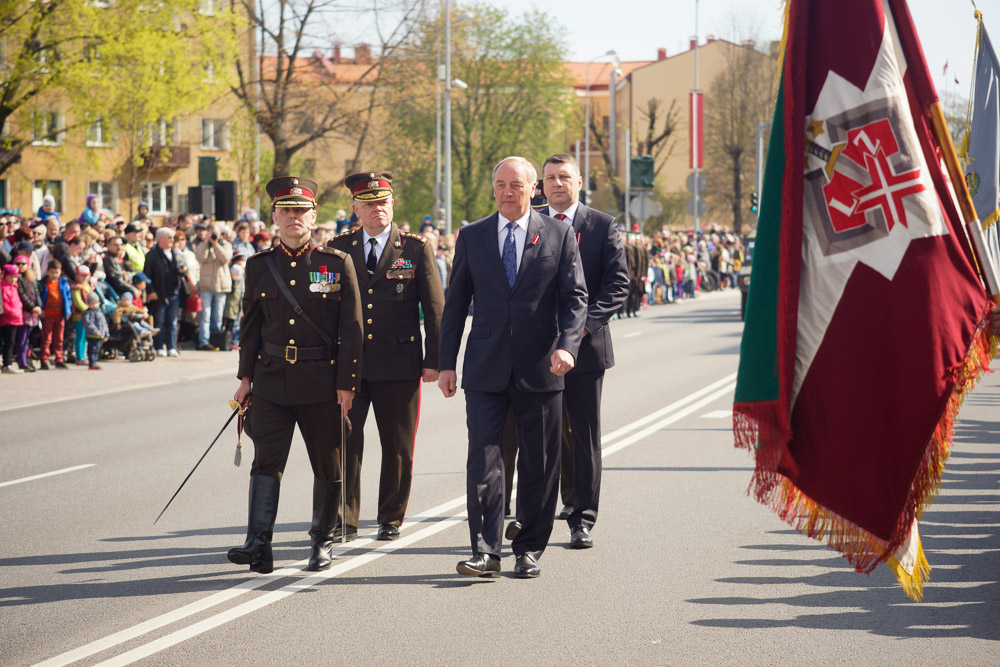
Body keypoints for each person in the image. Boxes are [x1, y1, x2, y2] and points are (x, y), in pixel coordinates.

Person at [437, 156, 588, 579]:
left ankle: (528, 549)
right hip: (485, 368)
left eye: (515, 185)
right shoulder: (473, 236)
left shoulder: (558, 234)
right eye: (500, 185)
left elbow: (575, 299)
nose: (507, 192)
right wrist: (446, 363)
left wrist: (568, 346)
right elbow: (454, 306)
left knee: (539, 464)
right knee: (483, 461)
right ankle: (485, 551)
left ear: (533, 188)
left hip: (541, 369)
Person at [229, 176, 363, 574]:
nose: (294, 217)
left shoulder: (335, 264)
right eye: (286, 210)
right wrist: (245, 379)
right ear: (274, 216)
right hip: (270, 381)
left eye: (301, 210)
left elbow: (352, 330)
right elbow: (250, 329)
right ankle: (258, 545)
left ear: (313, 215)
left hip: (322, 382)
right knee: (265, 461)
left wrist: (347, 384)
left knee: (328, 463)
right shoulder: (258, 267)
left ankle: (322, 541)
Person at [327, 171, 445, 541]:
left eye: (383, 201)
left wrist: (434, 360)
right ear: (355, 209)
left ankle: (390, 517)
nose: (378, 208)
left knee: (398, 447)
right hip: (350, 366)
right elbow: (326, 309)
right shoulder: (338, 247)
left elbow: (435, 308)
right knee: (344, 443)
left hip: (400, 364)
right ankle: (345, 518)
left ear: (392, 204)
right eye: (369, 203)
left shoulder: (415, 247)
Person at [529, 152, 629, 548]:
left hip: (584, 350)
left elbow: (617, 287)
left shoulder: (601, 225)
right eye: (549, 178)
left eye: (564, 177)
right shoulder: (531, 222)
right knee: (541, 435)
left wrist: (581, 329)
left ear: (579, 181)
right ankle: (535, 515)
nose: (556, 184)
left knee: (583, 436)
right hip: (536, 350)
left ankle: (582, 517)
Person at [144, 227, 185, 357]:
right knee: (159, 321)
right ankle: (158, 346)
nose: (172, 240)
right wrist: (151, 291)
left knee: (172, 321)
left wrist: (182, 271)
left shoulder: (175, 253)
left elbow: (182, 268)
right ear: (161, 239)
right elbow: (147, 275)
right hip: (159, 292)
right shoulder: (152, 254)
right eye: (170, 238)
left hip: (174, 291)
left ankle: (171, 346)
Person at [195, 222, 233, 351]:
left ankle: (216, 340)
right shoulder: (203, 244)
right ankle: (204, 341)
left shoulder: (226, 244)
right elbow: (200, 257)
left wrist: (216, 244)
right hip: (206, 285)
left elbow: (225, 258)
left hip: (221, 285)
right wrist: (206, 243)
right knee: (205, 315)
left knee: (218, 315)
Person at [38, 260, 71, 369]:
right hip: (47, 315)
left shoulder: (63, 284)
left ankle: (59, 359)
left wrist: (68, 310)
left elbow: (68, 298)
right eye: (52, 272)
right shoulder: (43, 284)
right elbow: (39, 298)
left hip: (60, 315)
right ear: (47, 272)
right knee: (47, 338)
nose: (54, 275)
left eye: (56, 272)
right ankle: (44, 359)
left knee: (59, 339)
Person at [14, 255, 42, 372]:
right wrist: (32, 307)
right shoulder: (16, 279)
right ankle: (22, 362)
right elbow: (22, 295)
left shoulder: (31, 279)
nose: (20, 266)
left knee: (27, 339)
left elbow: (36, 293)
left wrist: (39, 307)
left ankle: (25, 360)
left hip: (32, 312)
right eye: (18, 264)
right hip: (23, 311)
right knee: (22, 338)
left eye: (23, 263)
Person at [1, 264, 24, 374]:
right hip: (8, 320)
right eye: (10, 277)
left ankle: (8, 362)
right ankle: (7, 364)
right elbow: (5, 305)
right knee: (8, 342)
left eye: (15, 277)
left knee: (11, 342)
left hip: (15, 319)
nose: (13, 279)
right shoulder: (4, 288)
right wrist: (14, 314)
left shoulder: (13, 288)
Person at [70, 265, 93, 365]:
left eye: (86, 275)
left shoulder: (87, 286)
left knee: (84, 337)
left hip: (87, 315)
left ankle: (83, 355)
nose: (84, 278)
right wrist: (88, 309)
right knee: (80, 336)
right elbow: (77, 301)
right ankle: (79, 357)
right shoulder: (76, 287)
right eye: (82, 275)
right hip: (80, 316)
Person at [81, 291, 109, 369]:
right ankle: (92, 363)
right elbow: (88, 323)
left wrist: (106, 334)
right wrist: (95, 331)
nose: (94, 305)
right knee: (92, 350)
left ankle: (95, 362)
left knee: (97, 350)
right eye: (92, 303)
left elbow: (104, 324)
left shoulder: (100, 313)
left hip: (99, 336)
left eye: (95, 303)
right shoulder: (87, 313)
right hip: (92, 335)